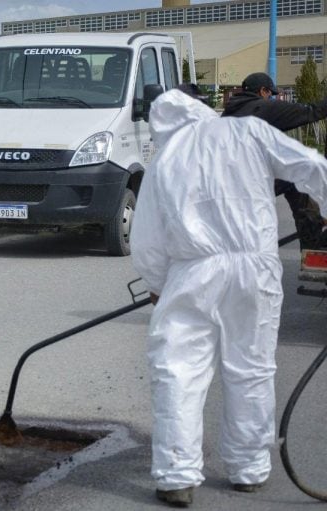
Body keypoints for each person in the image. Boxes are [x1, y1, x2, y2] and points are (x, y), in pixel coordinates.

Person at [131, 87, 327, 508]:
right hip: (253, 269)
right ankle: (249, 470)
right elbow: (312, 166)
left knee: (178, 372)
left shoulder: (164, 159)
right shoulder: (249, 132)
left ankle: (177, 477)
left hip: (191, 272)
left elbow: (146, 238)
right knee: (251, 367)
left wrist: (158, 285)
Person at [223, 72, 327, 249]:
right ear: (262, 91)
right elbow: (311, 111)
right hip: (247, 184)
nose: (271, 97)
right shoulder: (263, 108)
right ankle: (314, 243)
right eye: (270, 94)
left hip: (224, 184)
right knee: (296, 180)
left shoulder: (227, 113)